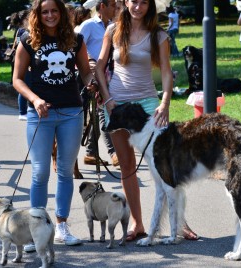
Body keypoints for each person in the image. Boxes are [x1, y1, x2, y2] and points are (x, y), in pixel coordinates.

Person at [95, 0, 198, 241]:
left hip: (150, 105)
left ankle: (179, 222)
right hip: (117, 105)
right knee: (127, 165)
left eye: (143, 2)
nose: (138, 7)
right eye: (133, 1)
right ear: (125, 2)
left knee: (165, 168)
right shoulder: (112, 30)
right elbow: (99, 67)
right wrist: (107, 98)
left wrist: (165, 103)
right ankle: (137, 223)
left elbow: (165, 70)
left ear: (150, 5)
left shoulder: (158, 34)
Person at [12, 0, 98, 251]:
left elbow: (84, 72)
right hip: (40, 114)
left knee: (64, 171)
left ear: (62, 14)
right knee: (39, 172)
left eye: (54, 11)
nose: (50, 15)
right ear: (38, 15)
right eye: (45, 12)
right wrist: (35, 99)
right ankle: (36, 229)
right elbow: (17, 79)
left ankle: (61, 226)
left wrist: (92, 82)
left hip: (72, 111)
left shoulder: (75, 39)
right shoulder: (28, 40)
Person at [79, 0, 119, 167]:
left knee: (98, 112)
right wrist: (90, 61)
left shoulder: (112, 26)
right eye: (112, 5)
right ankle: (113, 152)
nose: (115, 9)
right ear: (102, 6)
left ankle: (90, 152)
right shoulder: (88, 25)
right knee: (103, 112)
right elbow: (76, 45)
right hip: (92, 78)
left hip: (108, 75)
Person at [13, 9, 31, 121]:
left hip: (28, 62)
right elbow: (18, 45)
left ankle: (26, 109)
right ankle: (22, 112)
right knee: (24, 85)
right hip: (24, 62)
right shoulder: (22, 31)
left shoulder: (22, 31)